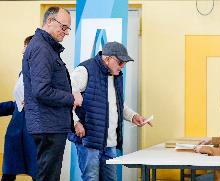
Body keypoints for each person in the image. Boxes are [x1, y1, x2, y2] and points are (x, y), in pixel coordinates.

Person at [68, 41, 152, 181]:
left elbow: (118, 104)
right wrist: (75, 122)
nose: (123, 66)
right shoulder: (85, 70)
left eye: (125, 63)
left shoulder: (116, 76)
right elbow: (66, 96)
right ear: (107, 59)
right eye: (120, 62)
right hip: (90, 140)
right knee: (91, 178)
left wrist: (133, 116)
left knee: (111, 179)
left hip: (110, 142)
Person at [22, 6, 83, 181]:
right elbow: (41, 90)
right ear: (50, 21)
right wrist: (72, 98)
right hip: (47, 125)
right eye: (64, 27)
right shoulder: (42, 48)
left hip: (48, 123)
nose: (67, 33)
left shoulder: (45, 47)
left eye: (68, 29)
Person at [0, 36, 37, 181]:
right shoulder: (22, 74)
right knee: (8, 175)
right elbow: (17, 103)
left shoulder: (46, 75)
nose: (23, 51)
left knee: (38, 174)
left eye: (26, 48)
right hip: (15, 132)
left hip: (34, 133)